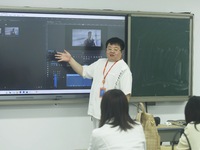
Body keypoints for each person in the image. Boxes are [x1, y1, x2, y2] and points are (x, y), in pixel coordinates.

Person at [55, 37, 132, 128]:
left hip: (112, 116)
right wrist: (70, 60)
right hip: (96, 113)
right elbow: (83, 71)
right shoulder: (100, 62)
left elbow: (126, 95)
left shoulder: (124, 69)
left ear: (122, 52)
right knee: (97, 139)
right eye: (109, 49)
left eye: (115, 49)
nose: (112, 51)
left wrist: (120, 117)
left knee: (108, 141)